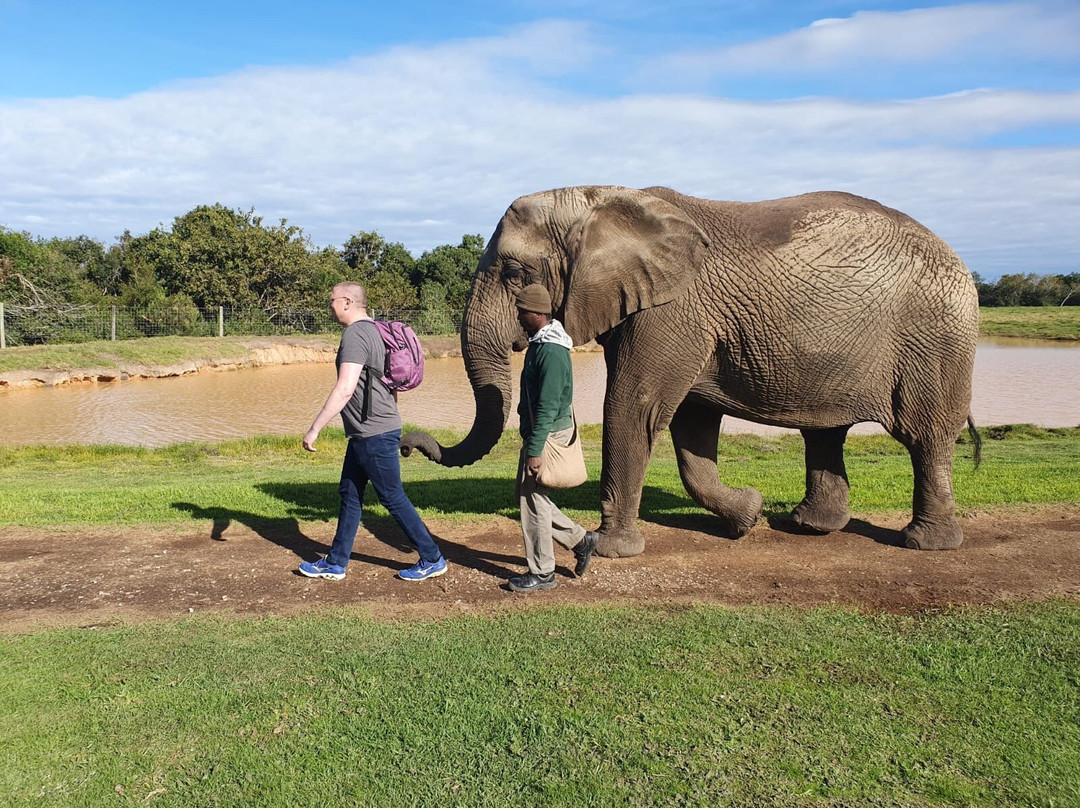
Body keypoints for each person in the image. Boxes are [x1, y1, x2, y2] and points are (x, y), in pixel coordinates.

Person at [298, 282, 446, 582]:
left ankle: (432, 558)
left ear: (348, 302)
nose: (330, 305)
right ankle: (336, 562)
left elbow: (345, 388)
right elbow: (387, 383)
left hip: (372, 431)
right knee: (350, 494)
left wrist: (314, 429)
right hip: (369, 430)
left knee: (392, 496)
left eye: (332, 300)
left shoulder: (355, 334)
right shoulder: (376, 331)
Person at [509, 283, 597, 593]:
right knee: (532, 496)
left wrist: (535, 449)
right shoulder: (542, 343)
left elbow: (547, 406)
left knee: (531, 500)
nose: (519, 317)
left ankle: (542, 573)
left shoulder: (551, 352)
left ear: (536, 313)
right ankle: (580, 540)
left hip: (545, 436)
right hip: (541, 432)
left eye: (522, 312)